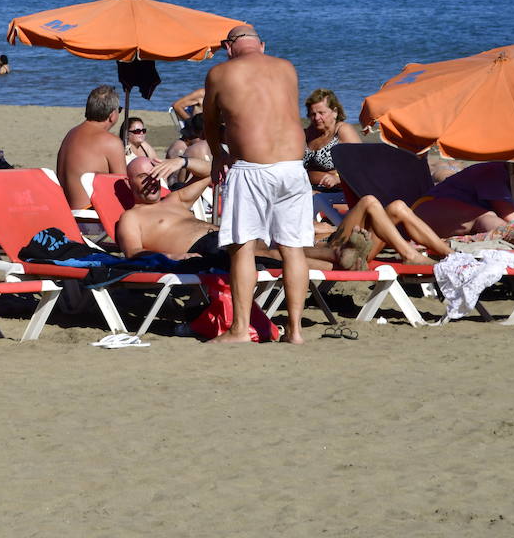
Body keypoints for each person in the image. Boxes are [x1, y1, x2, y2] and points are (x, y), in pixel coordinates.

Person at [116, 156, 430, 271]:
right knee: (274, 250)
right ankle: (335, 253)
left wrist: (181, 162)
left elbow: (212, 172)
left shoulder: (174, 200)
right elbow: (132, 254)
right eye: (143, 176)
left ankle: (339, 258)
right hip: (202, 250)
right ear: (130, 184)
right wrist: (174, 258)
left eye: (155, 172)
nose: (152, 179)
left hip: (225, 238)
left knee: (277, 249)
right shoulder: (131, 217)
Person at [204, 24, 311, 344]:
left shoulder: (220, 73)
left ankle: (240, 329)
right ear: (261, 45)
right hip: (293, 168)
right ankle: (295, 331)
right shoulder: (287, 69)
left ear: (228, 47)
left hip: (252, 169)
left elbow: (210, 122)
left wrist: (217, 155)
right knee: (293, 249)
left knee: (242, 247)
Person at [413, 157, 514, 237]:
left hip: (447, 217)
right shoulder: (493, 173)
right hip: (424, 213)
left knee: (489, 220)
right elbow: (510, 215)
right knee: (487, 218)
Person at [55, 84, 127, 210]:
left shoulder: (71, 134)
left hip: (68, 212)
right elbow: (123, 191)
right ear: (112, 115)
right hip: (92, 214)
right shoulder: (111, 142)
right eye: (119, 109)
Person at [302, 88, 362, 194]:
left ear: (334, 112)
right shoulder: (307, 133)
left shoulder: (342, 131)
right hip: (308, 190)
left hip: (337, 192)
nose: (317, 118)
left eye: (321, 113)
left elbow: (362, 167)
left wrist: (337, 179)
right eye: (313, 114)